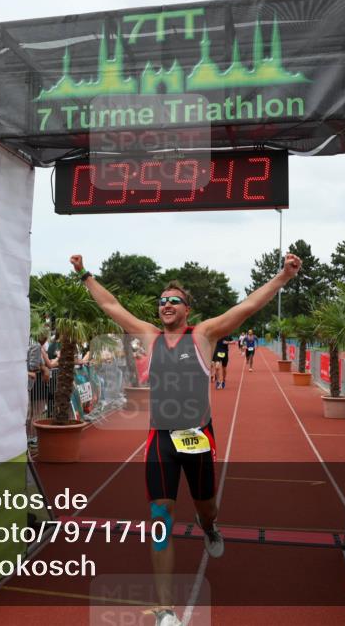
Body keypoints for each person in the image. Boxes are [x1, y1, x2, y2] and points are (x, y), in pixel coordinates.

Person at [69, 252, 301, 626]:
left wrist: (283, 278)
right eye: (161, 301)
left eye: (173, 300)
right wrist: (84, 274)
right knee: (159, 517)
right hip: (160, 439)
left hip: (198, 438)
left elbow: (246, 307)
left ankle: (208, 525)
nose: (165, 305)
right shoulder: (149, 336)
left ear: (187, 310)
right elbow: (112, 305)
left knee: (206, 507)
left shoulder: (204, 335)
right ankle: (165, 608)